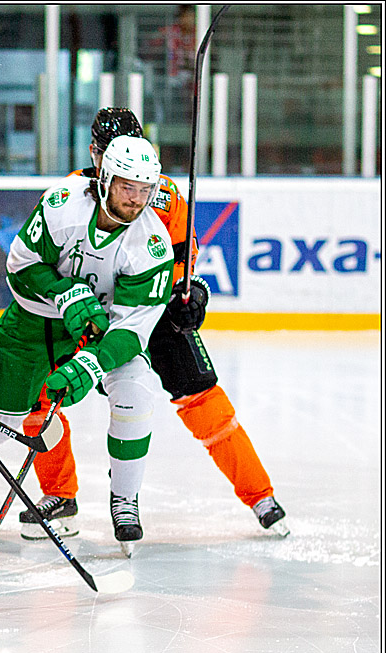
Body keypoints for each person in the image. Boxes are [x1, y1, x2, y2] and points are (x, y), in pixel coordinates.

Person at [17, 108, 288, 541]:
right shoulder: (72, 193)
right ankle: (59, 493)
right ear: (95, 153)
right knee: (41, 396)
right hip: (93, 312)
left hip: (152, 310)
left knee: (202, 397)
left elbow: (184, 252)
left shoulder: (163, 193)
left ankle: (259, 495)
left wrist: (190, 290)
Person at [0, 135, 175, 558]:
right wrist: (65, 292)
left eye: (144, 189)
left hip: (104, 332)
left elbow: (134, 327)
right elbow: (21, 265)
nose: (136, 200)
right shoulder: (62, 205)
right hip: (34, 320)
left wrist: (93, 364)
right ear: (104, 179)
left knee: (135, 394)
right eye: (127, 187)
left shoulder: (152, 244)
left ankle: (125, 499)